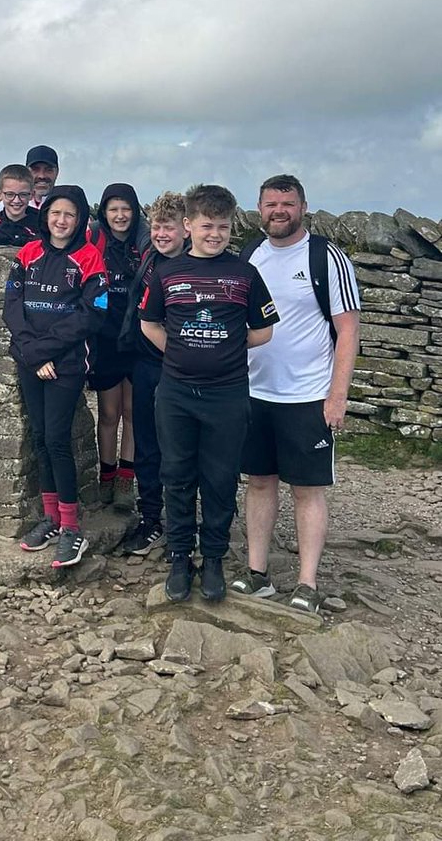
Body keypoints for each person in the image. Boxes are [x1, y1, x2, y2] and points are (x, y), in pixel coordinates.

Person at [140, 184, 278, 603]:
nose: (214, 234)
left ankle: (214, 558)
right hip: (177, 393)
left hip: (228, 395)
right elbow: (149, 324)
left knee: (219, 480)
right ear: (188, 225)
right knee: (177, 477)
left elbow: (264, 330)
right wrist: (182, 351)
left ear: (231, 227)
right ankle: (180, 556)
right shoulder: (166, 273)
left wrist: (223, 349)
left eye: (222, 226)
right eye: (206, 225)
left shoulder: (244, 274)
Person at [231, 175, 360, 613]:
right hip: (254, 391)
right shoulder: (250, 255)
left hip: (308, 395)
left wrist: (337, 395)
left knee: (307, 488)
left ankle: (307, 583)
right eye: (271, 204)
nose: (278, 211)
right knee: (259, 482)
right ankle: (257, 573)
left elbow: (348, 331)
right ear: (259, 207)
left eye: (287, 203)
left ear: (303, 206)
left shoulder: (327, 257)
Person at [3, 186, 108, 569]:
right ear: (45, 216)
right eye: (55, 213)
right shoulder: (28, 254)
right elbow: (12, 307)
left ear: (80, 220)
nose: (61, 220)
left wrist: (42, 353)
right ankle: (50, 518)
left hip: (65, 364)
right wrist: (32, 354)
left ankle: (70, 527)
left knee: (58, 441)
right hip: (33, 361)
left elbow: (91, 316)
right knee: (40, 439)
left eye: (70, 214)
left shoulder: (89, 258)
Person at [119, 192, 188, 556]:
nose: (161, 234)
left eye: (169, 227)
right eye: (157, 226)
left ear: (186, 229)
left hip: (183, 370)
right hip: (145, 365)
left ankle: (185, 523)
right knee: (147, 444)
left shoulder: (196, 267)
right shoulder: (148, 259)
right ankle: (150, 519)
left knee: (183, 447)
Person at [88, 184, 146, 510]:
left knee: (132, 412)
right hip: (106, 336)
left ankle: (127, 477)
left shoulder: (145, 242)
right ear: (104, 212)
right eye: (113, 209)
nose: (120, 215)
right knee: (109, 412)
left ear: (135, 210)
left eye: (126, 208)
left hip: (138, 337)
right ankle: (106, 475)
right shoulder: (94, 239)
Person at [25, 145, 59, 210]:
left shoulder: (66, 207)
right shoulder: (9, 206)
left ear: (57, 172)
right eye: (35, 169)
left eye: (48, 170)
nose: (42, 176)